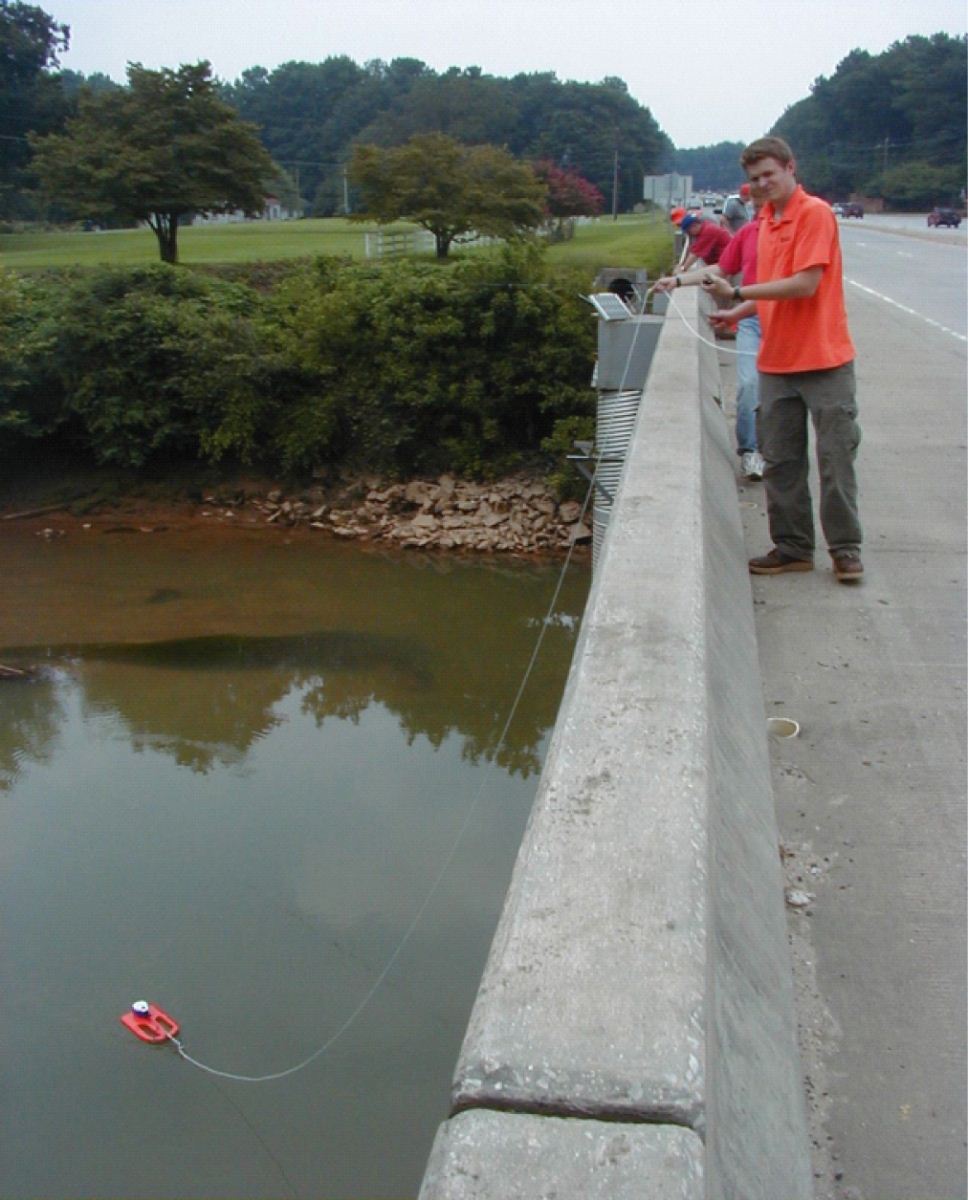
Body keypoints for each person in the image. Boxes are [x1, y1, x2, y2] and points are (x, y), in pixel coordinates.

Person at [701, 135, 863, 583]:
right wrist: (740, 310)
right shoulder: (765, 222)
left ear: (791, 168)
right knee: (781, 461)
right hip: (777, 361)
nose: (762, 184)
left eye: (770, 174)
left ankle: (845, 551)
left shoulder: (814, 214)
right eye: (755, 179)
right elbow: (773, 286)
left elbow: (804, 284)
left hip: (825, 360)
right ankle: (792, 547)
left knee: (835, 459)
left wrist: (737, 291)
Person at [655, 181, 767, 480]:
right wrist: (678, 281)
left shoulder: (798, 233)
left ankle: (774, 449)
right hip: (752, 320)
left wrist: (735, 298)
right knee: (748, 387)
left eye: (763, 205)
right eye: (755, 207)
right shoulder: (747, 234)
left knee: (776, 395)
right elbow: (718, 268)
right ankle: (750, 450)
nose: (760, 212)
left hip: (783, 323)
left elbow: (796, 287)